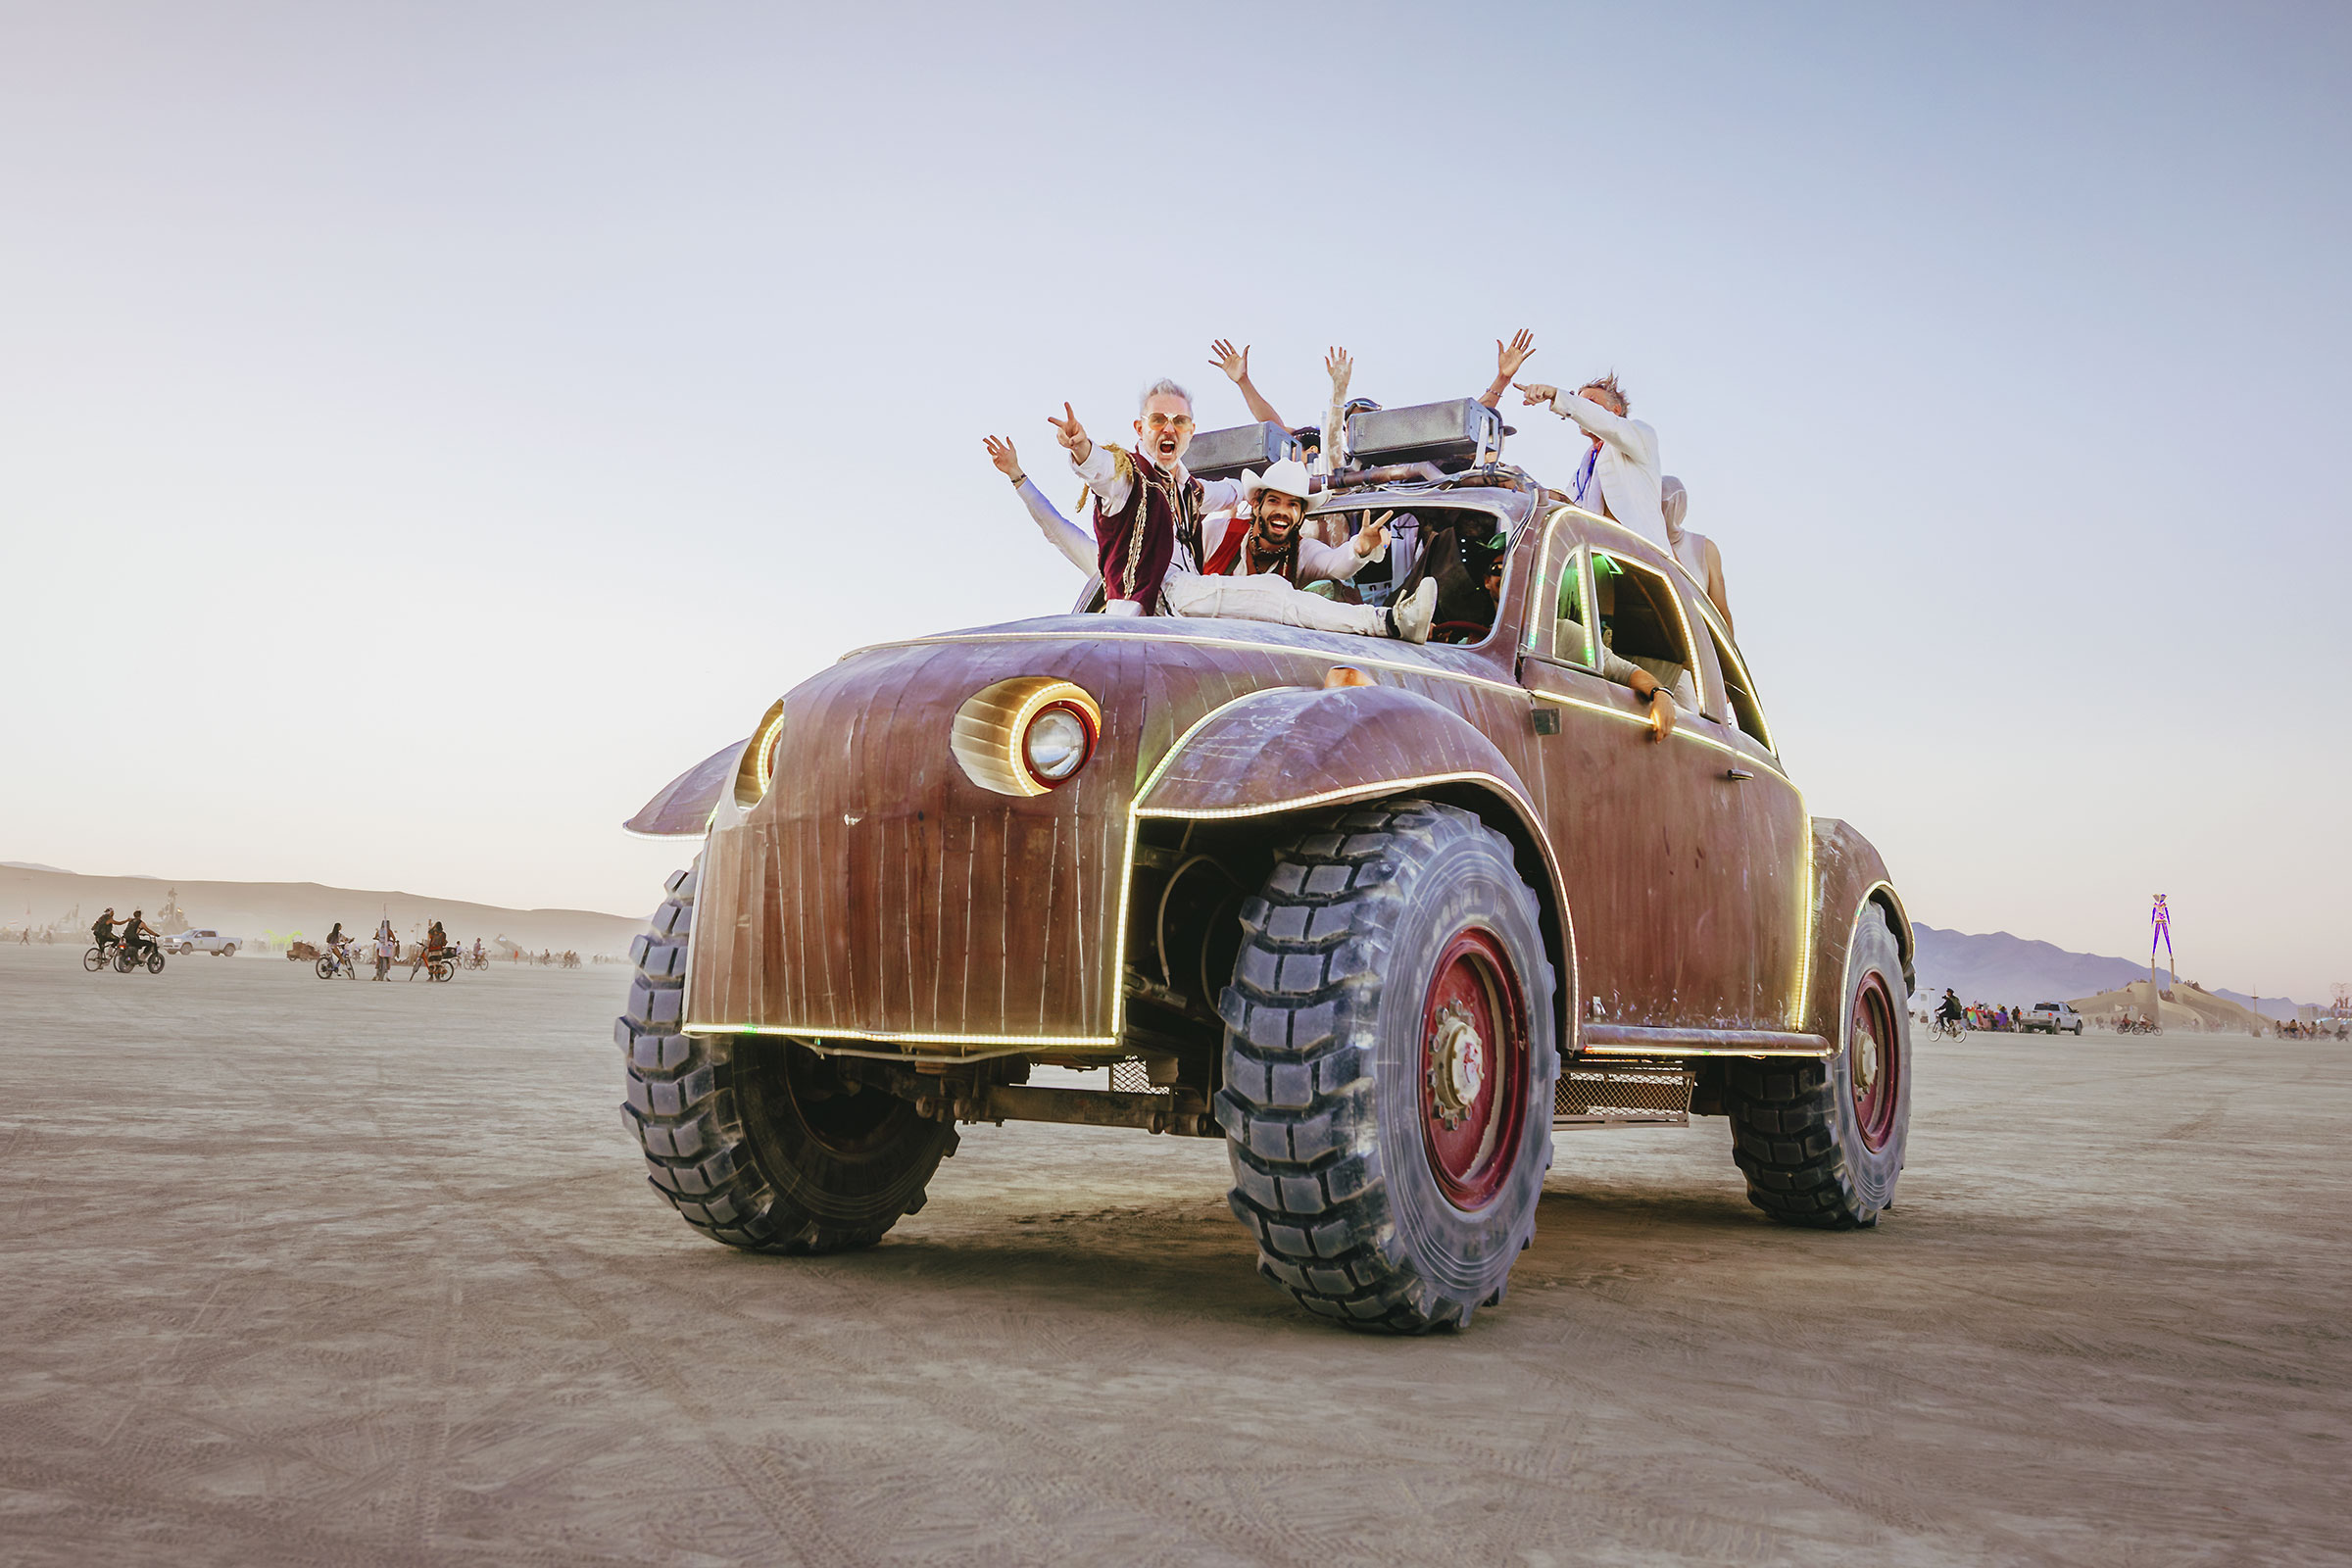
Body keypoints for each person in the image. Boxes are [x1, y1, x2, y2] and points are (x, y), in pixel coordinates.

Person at [985, 440, 1438, 640]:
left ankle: (1388, 623)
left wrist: (1359, 548)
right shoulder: (1121, 564)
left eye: (1293, 505)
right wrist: (1020, 479)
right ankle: (1388, 623)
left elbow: (1336, 567)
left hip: (1234, 641)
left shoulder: (1298, 550)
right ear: (1256, 505)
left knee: (1287, 593)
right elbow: (1059, 531)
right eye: (1273, 501)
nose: (1282, 512)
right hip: (1181, 634)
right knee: (1275, 593)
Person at [1047, 379, 1250, 615]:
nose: (1169, 429)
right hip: (1140, 629)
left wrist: (1257, 491)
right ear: (1140, 428)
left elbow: (1230, 492)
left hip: (1185, 625)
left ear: (1191, 431)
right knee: (1266, 594)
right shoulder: (1130, 476)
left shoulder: (1192, 491)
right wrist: (1081, 447)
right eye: (1158, 419)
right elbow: (1102, 469)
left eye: (1179, 421)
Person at [1497, 334, 1666, 546]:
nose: (1582, 406)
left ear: (1615, 410)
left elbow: (1609, 425)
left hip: (1640, 554)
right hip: (1597, 553)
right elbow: (1570, 508)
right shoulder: (1583, 470)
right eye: (1579, 401)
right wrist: (1519, 483)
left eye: (1590, 401)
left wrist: (1556, 395)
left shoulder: (1640, 435)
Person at [1659, 475, 1734, 633]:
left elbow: (1721, 612)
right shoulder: (1642, 544)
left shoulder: (1704, 549)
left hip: (1696, 641)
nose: (1668, 508)